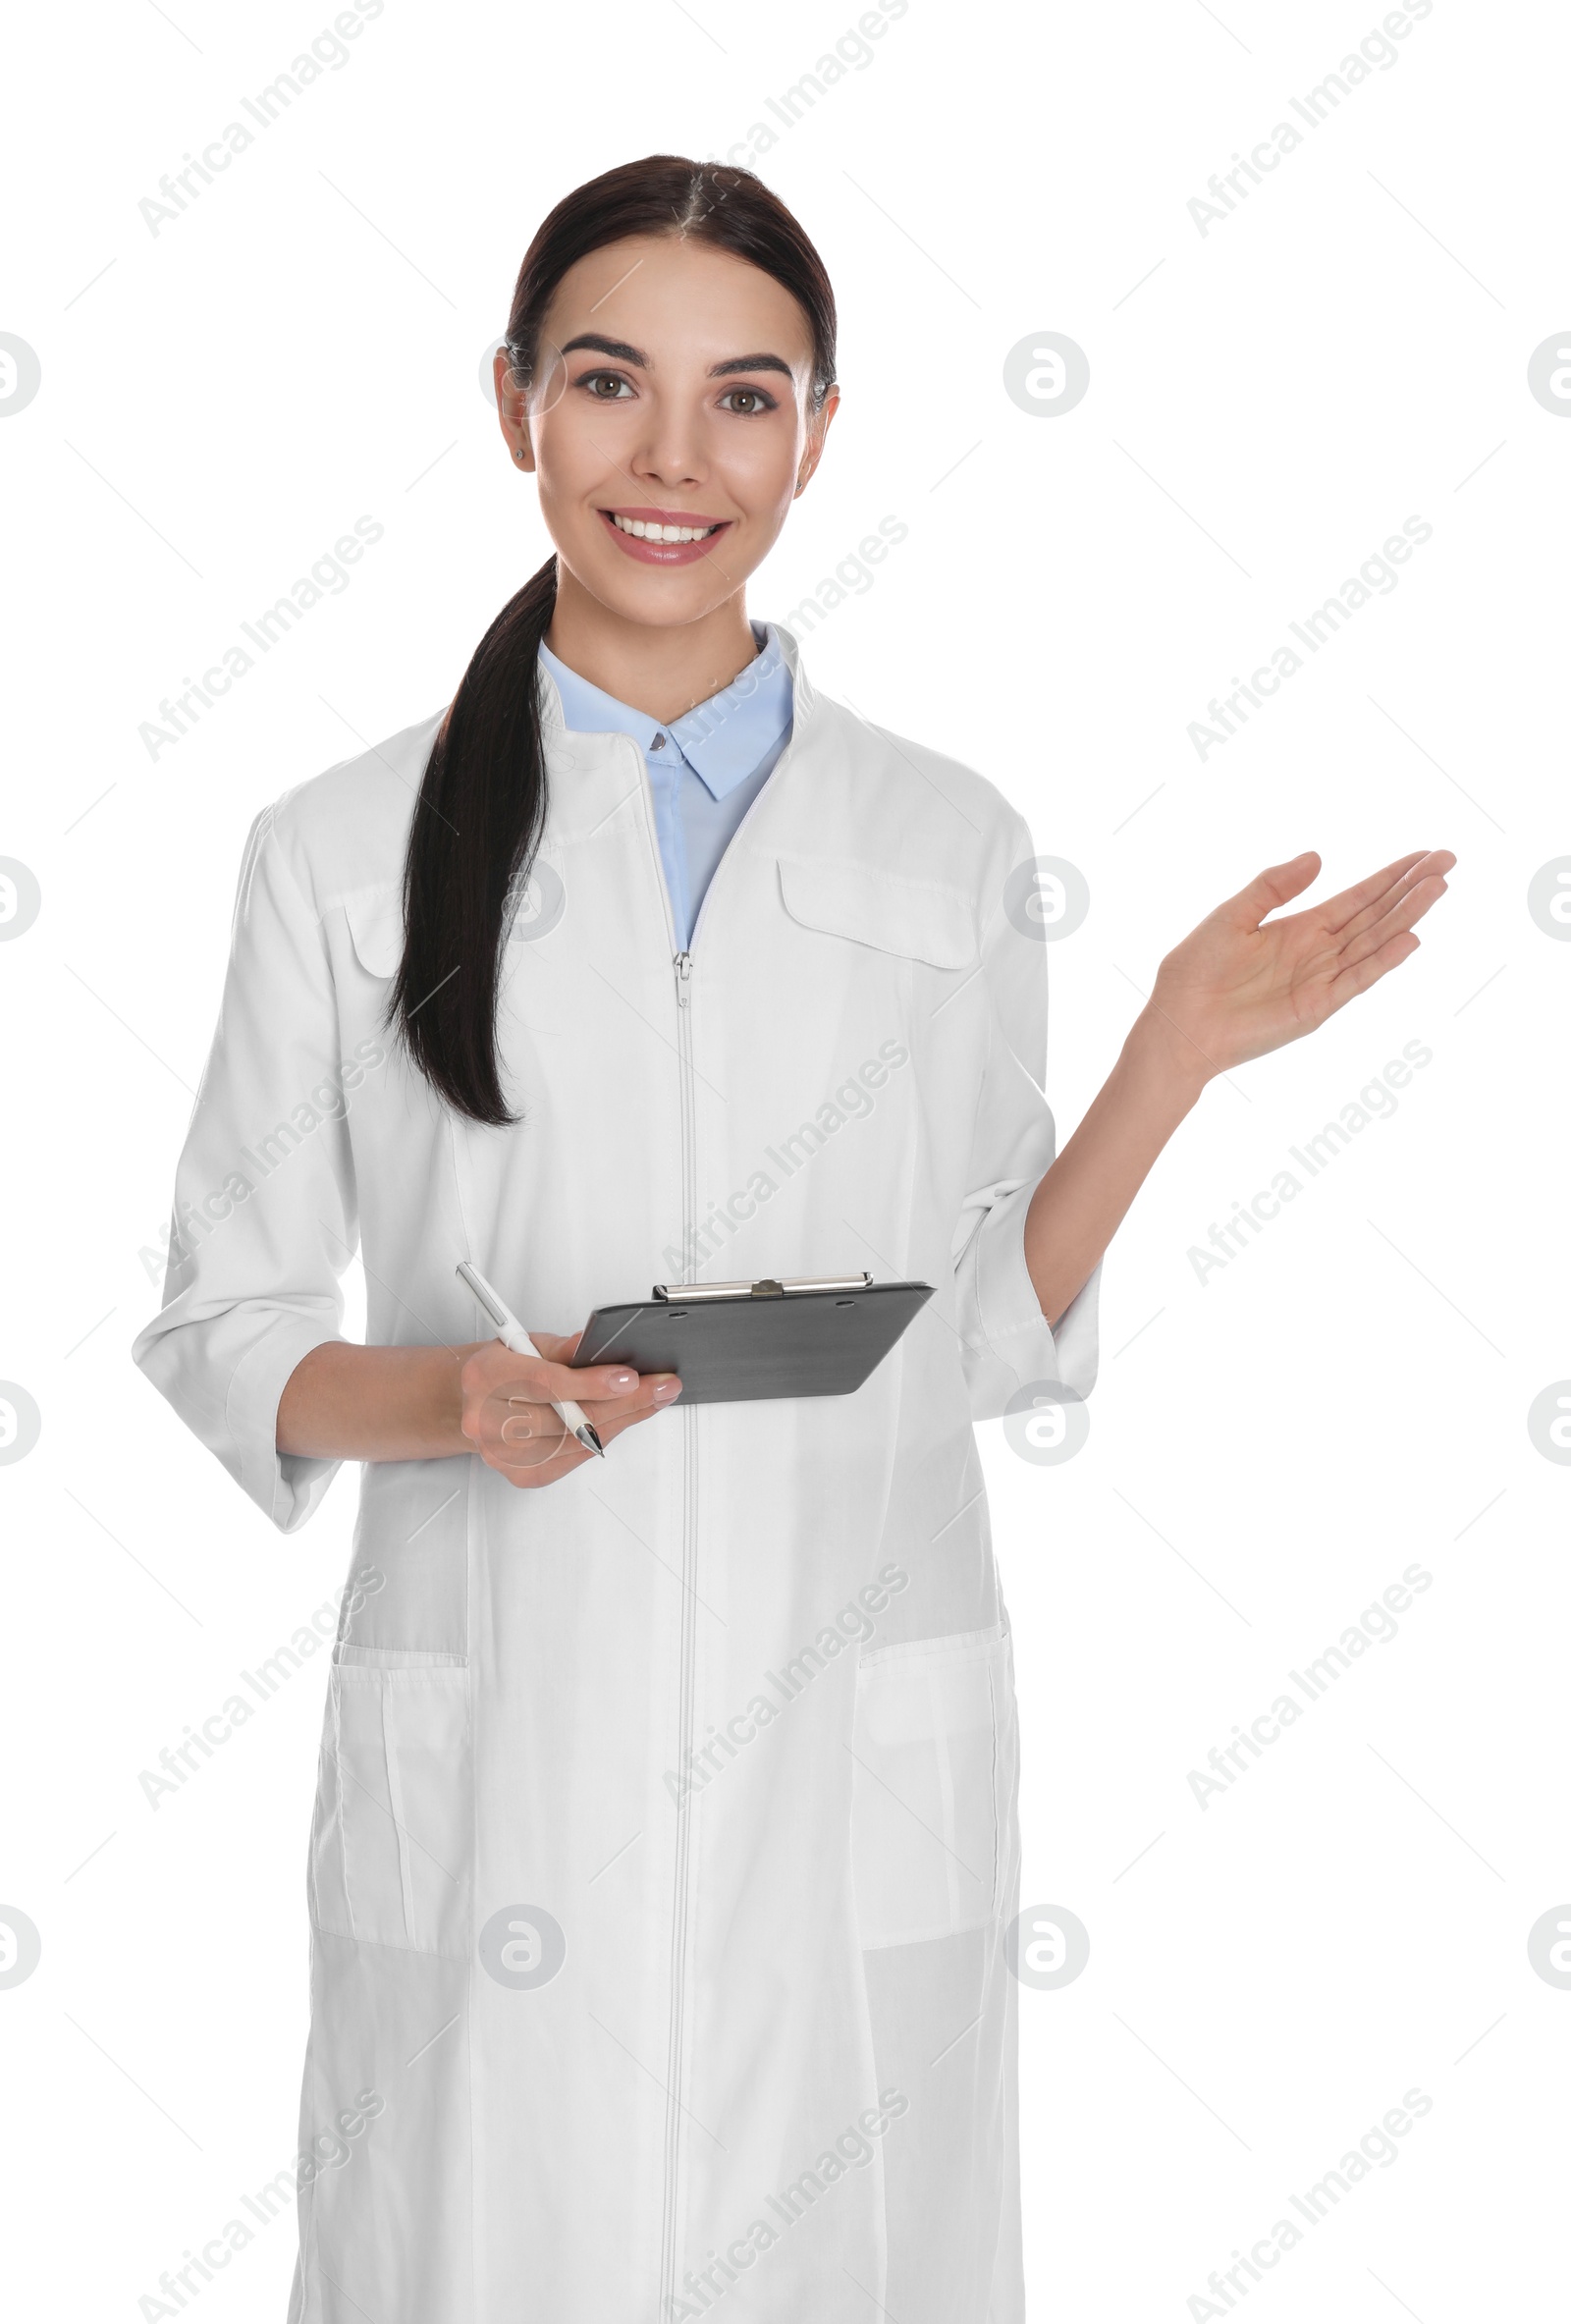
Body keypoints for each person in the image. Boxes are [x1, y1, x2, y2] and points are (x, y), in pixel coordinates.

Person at [132, 154, 1452, 2324]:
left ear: (817, 431)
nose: (672, 459)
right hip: (506, 1760)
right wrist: (453, 1398)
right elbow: (224, 1319)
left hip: (847, 1733)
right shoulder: (341, 845)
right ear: (513, 409)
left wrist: (1166, 1058)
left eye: (742, 398)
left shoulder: (944, 839)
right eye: (605, 384)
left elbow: (988, 1337)